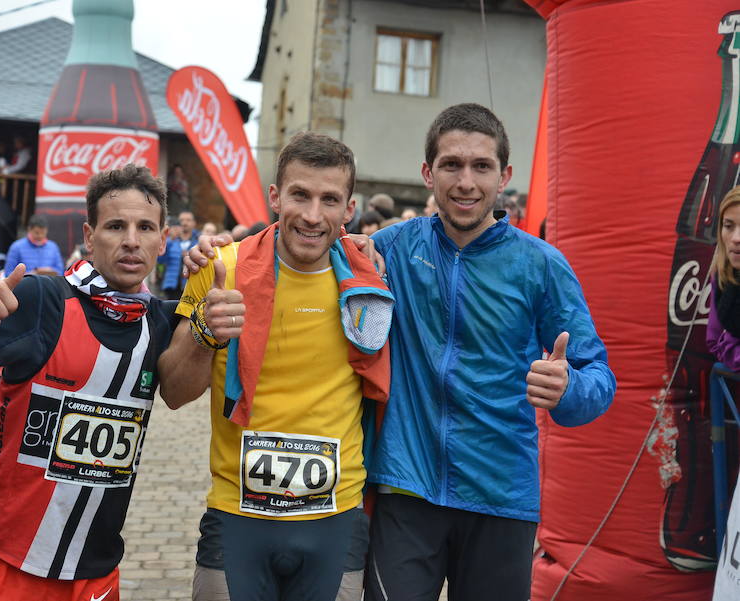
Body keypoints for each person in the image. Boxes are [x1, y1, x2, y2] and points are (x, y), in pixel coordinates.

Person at [362, 103, 616, 601]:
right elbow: (300, 250)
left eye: (482, 167)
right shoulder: (388, 247)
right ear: (427, 172)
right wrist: (218, 252)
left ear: (505, 176)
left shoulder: (540, 264)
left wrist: (569, 389)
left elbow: (599, 377)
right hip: (406, 491)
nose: (466, 182)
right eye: (452, 165)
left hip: (501, 497)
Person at [0, 164, 177, 601]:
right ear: (89, 236)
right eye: (115, 226)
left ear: (163, 239)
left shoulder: (164, 323)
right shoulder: (40, 302)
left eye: (145, 227)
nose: (131, 240)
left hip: (93, 571)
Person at [159, 131, 393, 601]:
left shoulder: (369, 276)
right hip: (238, 515)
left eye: (330, 200)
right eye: (300, 195)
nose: (312, 215)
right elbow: (173, 391)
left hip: (335, 517)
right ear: (275, 197)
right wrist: (206, 330)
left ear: (349, 210)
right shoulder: (221, 268)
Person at [707, 186, 740, 372]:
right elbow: (714, 341)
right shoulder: (721, 277)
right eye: (728, 226)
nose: (736, 238)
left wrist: (730, 343)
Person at [158, 210, 199, 300]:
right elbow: (160, 260)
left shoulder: (198, 241)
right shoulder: (170, 241)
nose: (184, 223)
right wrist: (170, 240)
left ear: (194, 223)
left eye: (188, 220)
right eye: (182, 220)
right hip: (171, 286)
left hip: (190, 287)